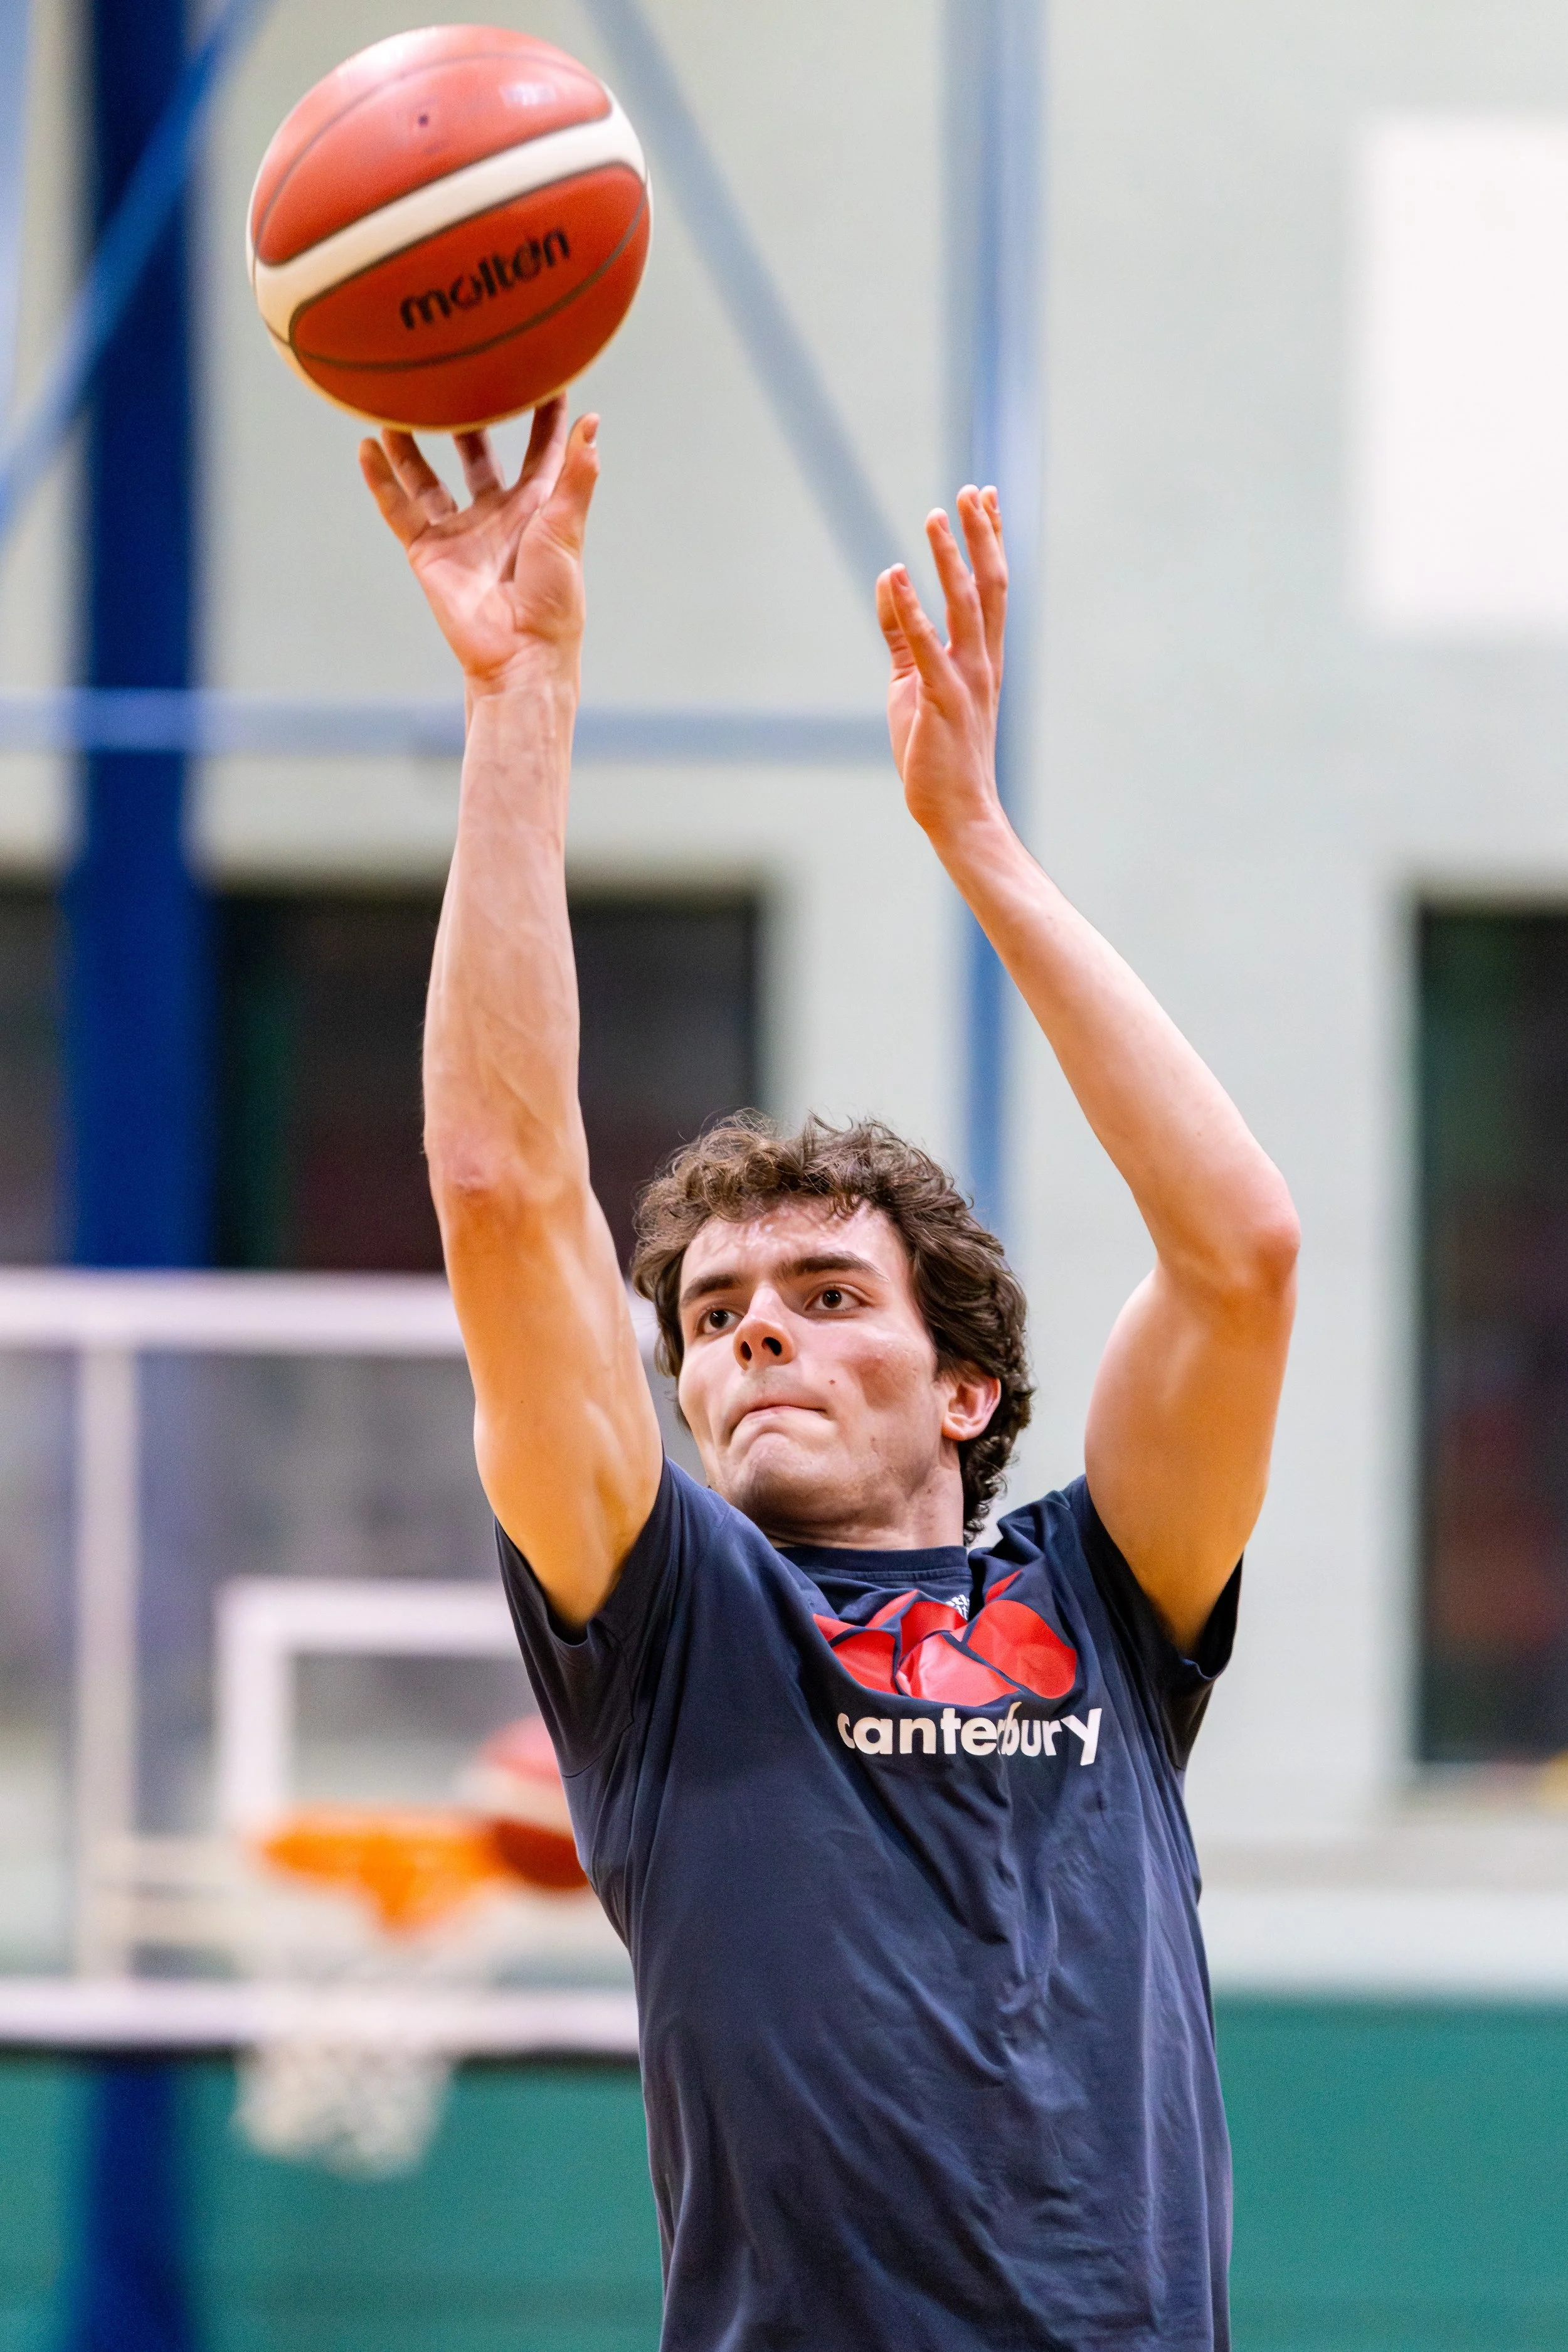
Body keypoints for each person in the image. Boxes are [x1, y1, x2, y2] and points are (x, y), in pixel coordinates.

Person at [361, 394, 1299, 2352]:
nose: (751, 1329)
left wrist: (976, 845)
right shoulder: (675, 1614)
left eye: (821, 1293)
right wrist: (520, 693)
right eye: (710, 1315)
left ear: (964, 1387)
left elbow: (1240, 1250)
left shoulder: (1100, 1599)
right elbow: (497, 1183)